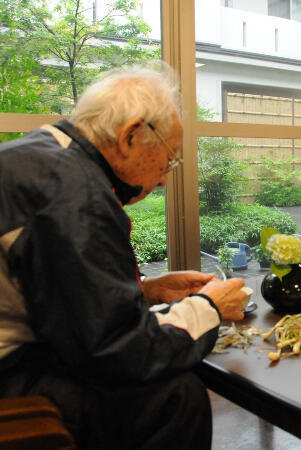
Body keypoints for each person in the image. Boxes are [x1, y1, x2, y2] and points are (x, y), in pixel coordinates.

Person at [0, 62, 247, 449]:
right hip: (12, 375)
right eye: (170, 158)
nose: (166, 177)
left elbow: (58, 288)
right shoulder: (74, 195)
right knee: (176, 396)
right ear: (132, 134)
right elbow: (121, 352)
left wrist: (147, 290)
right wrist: (208, 308)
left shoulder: (45, 155)